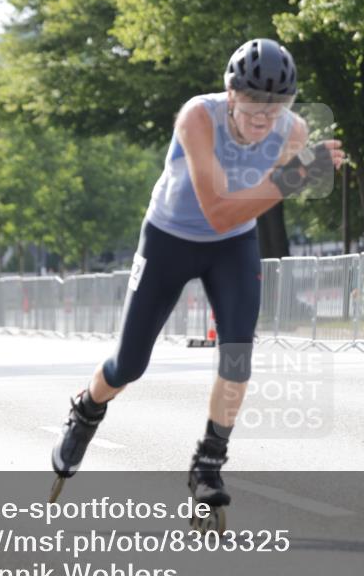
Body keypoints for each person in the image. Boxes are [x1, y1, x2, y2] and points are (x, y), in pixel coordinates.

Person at [52, 38, 345, 508]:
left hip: (232, 247)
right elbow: (219, 211)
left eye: (274, 111)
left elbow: (251, 205)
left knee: (237, 358)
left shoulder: (293, 131)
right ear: (231, 95)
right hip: (170, 237)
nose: (262, 121)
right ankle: (87, 409)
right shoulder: (197, 117)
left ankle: (209, 462)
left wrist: (293, 173)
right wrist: (296, 177)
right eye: (252, 108)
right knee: (129, 365)